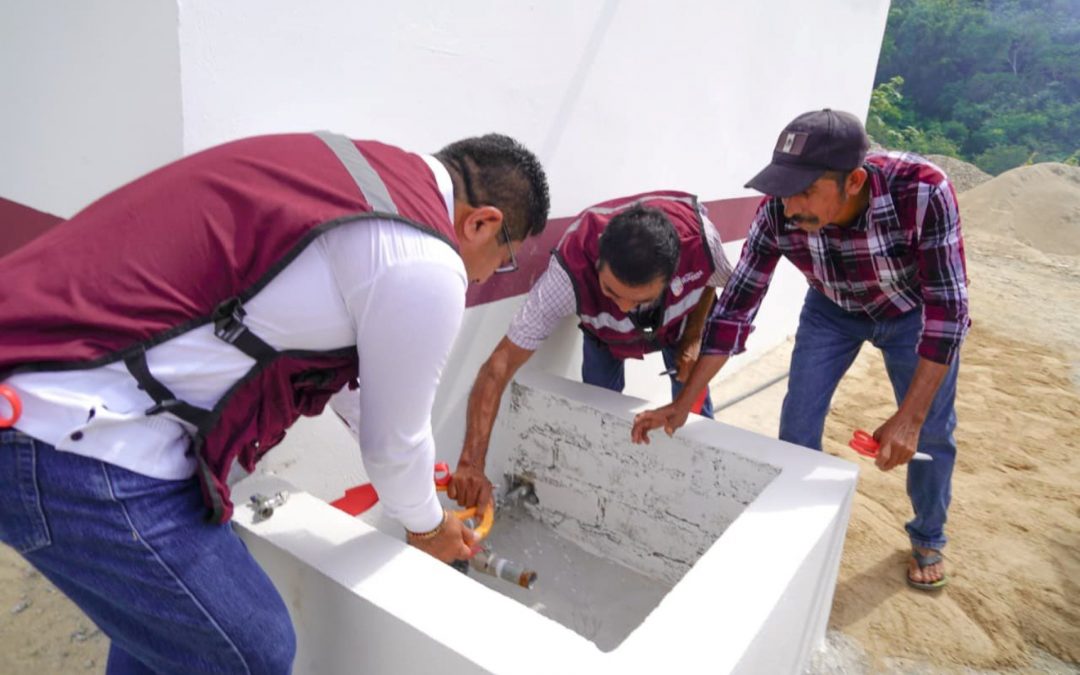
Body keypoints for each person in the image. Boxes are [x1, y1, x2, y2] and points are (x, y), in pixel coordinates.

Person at [0, 130, 550, 673]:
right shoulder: (427, 262)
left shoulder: (356, 177)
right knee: (252, 650)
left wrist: (420, 476)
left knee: (172, 630)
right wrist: (430, 528)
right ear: (482, 223)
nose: (485, 278)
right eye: (502, 262)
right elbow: (392, 447)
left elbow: (372, 408)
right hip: (70, 433)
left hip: (38, 374)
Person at [631, 109, 969, 592]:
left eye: (806, 191)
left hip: (910, 312)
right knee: (796, 426)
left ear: (853, 180)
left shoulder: (922, 191)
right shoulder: (777, 210)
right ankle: (796, 534)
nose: (791, 207)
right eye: (785, 189)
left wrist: (910, 416)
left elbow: (949, 313)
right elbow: (735, 309)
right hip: (830, 309)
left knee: (932, 433)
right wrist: (684, 402)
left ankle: (929, 533)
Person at [449, 192, 733, 511]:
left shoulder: (702, 245)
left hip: (679, 327)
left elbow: (717, 285)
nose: (623, 308)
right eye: (610, 291)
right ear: (597, 261)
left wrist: (694, 336)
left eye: (638, 301)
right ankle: (603, 495)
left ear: (674, 274)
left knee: (695, 420)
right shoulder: (567, 274)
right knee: (596, 414)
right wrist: (472, 463)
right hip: (604, 337)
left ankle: (701, 499)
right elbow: (498, 366)